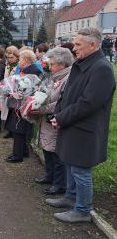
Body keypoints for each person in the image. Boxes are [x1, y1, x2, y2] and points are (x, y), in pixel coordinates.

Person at [46, 28, 116, 223]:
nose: (74, 49)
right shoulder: (83, 64)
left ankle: (83, 209)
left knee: (81, 169)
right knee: (69, 162)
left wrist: (62, 118)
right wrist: (58, 114)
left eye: (78, 44)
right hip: (72, 123)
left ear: (92, 45)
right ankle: (70, 197)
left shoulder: (101, 68)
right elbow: (67, 94)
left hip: (85, 128)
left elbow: (88, 103)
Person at [32, 47, 74, 195]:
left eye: (52, 64)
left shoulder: (68, 78)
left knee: (56, 153)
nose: (50, 67)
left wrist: (42, 109)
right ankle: (49, 176)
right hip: (47, 120)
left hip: (56, 120)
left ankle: (59, 184)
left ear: (62, 64)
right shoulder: (56, 77)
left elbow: (62, 103)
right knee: (47, 149)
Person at [5, 50, 42, 163]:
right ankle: (23, 151)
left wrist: (17, 92)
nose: (18, 62)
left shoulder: (32, 72)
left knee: (19, 129)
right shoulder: (27, 70)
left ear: (26, 60)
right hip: (21, 104)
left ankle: (17, 155)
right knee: (20, 128)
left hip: (24, 104)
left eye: (20, 59)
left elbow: (30, 88)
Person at [1, 46, 20, 139]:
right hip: (8, 89)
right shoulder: (8, 66)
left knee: (13, 111)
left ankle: (12, 131)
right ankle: (9, 130)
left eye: (12, 57)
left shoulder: (18, 67)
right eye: (8, 57)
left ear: (17, 57)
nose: (10, 59)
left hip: (15, 91)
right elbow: (6, 77)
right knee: (8, 110)